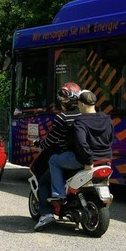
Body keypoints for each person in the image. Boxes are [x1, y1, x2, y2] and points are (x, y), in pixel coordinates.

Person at [33, 82, 83, 231]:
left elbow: (51, 140)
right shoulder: (84, 115)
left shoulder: (62, 117)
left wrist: (40, 144)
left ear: (62, 100)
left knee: (43, 182)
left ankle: (47, 213)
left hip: (69, 157)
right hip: (88, 157)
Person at [48, 90, 113, 203]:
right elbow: (110, 139)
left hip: (86, 160)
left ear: (82, 104)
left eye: (78, 104)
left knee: (53, 160)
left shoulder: (80, 121)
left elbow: (81, 143)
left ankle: (59, 194)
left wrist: (88, 161)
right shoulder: (106, 118)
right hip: (106, 159)